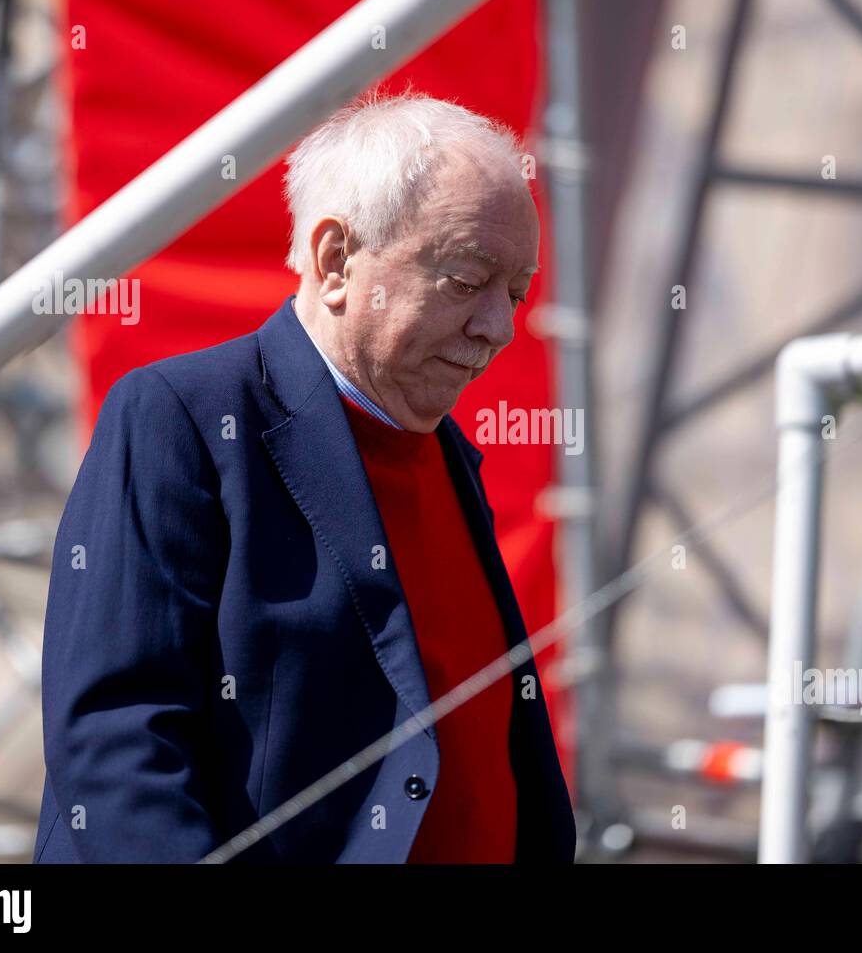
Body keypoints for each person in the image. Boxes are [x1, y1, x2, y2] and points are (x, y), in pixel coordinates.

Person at [33, 91, 575, 863]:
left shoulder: (449, 456)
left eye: (516, 294)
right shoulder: (181, 416)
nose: (498, 327)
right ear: (334, 260)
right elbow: (118, 740)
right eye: (465, 280)